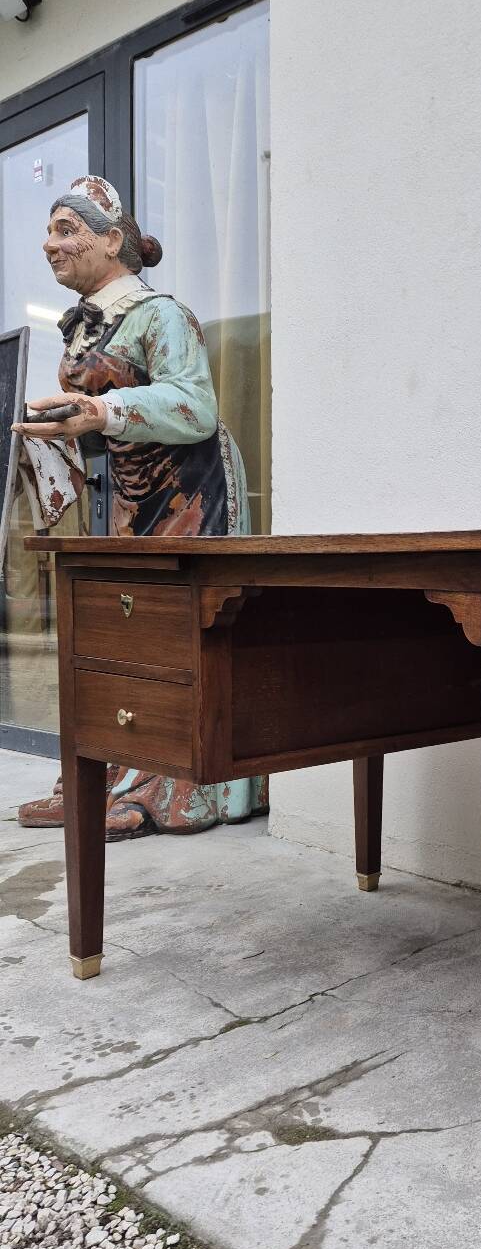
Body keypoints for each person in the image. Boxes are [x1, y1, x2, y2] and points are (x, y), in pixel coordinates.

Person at [15, 174, 266, 839]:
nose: (50, 244)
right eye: (49, 231)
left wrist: (101, 408)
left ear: (113, 240)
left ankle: (187, 789)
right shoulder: (82, 331)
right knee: (129, 629)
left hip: (193, 490)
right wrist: (52, 445)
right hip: (134, 493)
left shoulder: (161, 315)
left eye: (66, 229)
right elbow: (105, 429)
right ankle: (118, 771)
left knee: (185, 629)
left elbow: (196, 406)